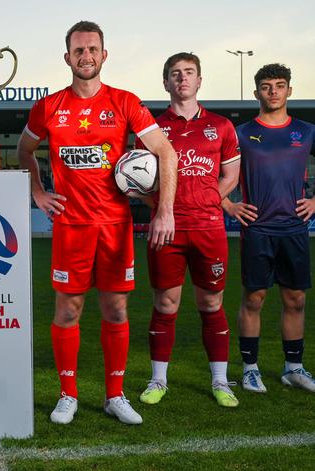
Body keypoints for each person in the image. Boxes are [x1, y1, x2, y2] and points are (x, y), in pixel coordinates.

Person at [17, 21, 177, 425]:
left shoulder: (125, 102)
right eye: (78, 50)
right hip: (71, 225)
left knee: (116, 309)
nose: (85, 56)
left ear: (104, 55)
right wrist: (36, 190)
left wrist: (164, 209)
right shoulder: (48, 107)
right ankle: (67, 394)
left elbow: (165, 153)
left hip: (114, 225)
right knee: (68, 310)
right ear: (67, 57)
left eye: (92, 49)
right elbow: (24, 149)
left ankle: (114, 395)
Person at [137, 53, 241, 408]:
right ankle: (158, 380)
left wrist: (209, 199)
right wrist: (158, 205)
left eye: (189, 73)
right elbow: (140, 180)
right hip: (166, 230)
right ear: (165, 83)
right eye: (175, 74)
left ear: (200, 80)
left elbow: (231, 176)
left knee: (211, 302)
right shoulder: (150, 129)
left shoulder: (222, 126)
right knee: (166, 304)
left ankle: (220, 381)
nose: (182, 79)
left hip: (209, 227)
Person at [224, 63, 315, 393]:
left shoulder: (305, 131)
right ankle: (250, 369)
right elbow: (213, 175)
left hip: (294, 229)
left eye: (279, 85)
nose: (273, 91)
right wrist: (229, 205)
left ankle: (294, 368)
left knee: (295, 300)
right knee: (254, 299)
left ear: (290, 90)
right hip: (257, 230)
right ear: (256, 93)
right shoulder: (242, 133)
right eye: (266, 86)